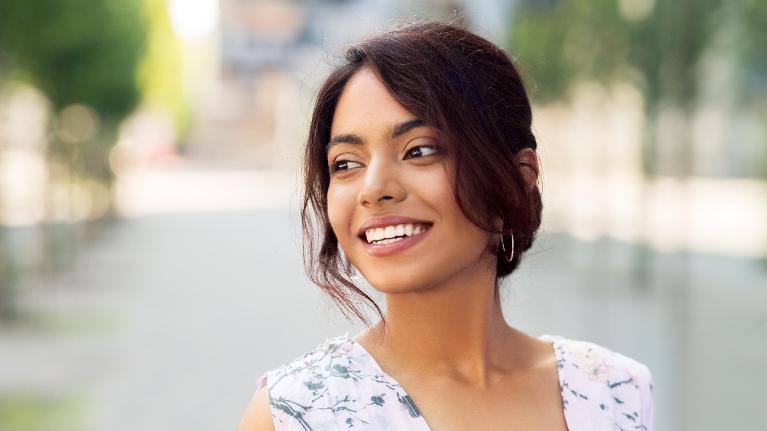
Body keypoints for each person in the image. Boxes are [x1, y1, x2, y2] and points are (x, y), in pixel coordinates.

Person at [239, 19, 653, 431]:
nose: (373, 188)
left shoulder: (613, 389)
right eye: (346, 163)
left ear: (518, 177)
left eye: (419, 150)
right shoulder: (298, 412)